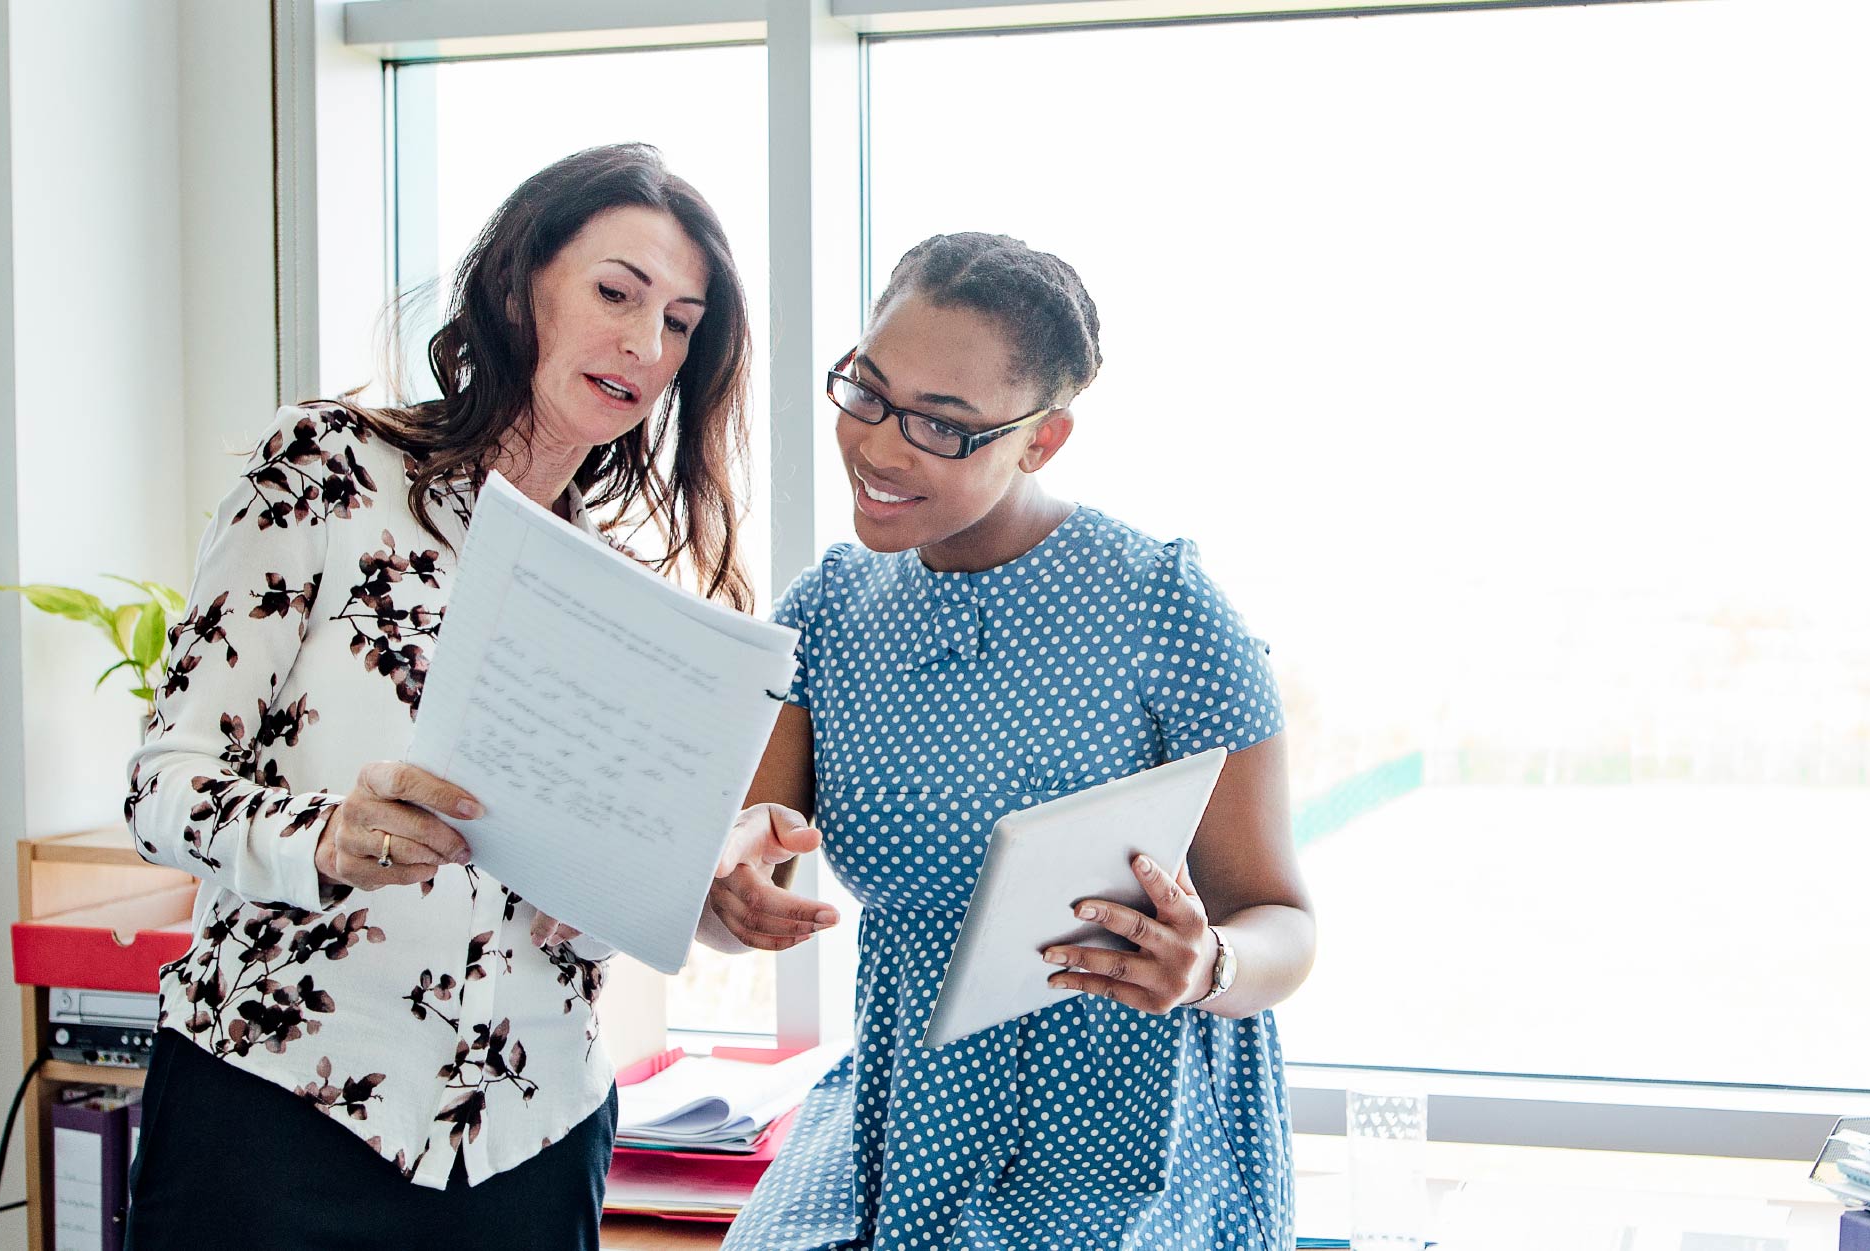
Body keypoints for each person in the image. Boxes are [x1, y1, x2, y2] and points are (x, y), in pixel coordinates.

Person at [120, 142, 755, 1250]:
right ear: (517, 287)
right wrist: (323, 836)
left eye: (680, 323)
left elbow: (578, 891)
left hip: (535, 1135)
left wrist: (692, 887)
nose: (644, 346)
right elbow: (162, 790)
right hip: (277, 1106)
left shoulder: (621, 594)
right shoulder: (327, 469)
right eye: (615, 293)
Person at [706, 233, 1317, 1249]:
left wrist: (1205, 964)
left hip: (1130, 1130)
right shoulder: (824, 617)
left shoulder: (1161, 605)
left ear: (1041, 440)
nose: (881, 447)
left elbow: (1282, 923)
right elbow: (732, 896)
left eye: (942, 427)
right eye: (865, 393)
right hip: (907, 1115)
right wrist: (726, 902)